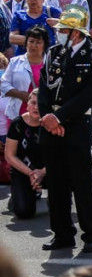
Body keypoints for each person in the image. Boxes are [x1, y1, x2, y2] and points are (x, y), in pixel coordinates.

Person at [38, 5, 92, 252]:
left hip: (76, 125)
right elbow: (44, 88)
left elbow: (89, 95)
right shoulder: (54, 52)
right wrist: (48, 117)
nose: (61, 33)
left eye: (65, 30)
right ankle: (62, 233)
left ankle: (91, 235)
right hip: (51, 127)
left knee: (82, 184)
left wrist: (59, 118)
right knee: (56, 186)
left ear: (77, 32)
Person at [5, 90, 46, 220]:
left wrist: (42, 172)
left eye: (40, 103)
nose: (36, 107)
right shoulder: (17, 124)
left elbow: (60, 155)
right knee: (24, 213)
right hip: (23, 171)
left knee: (62, 207)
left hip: (48, 170)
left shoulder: (51, 123)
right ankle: (19, 194)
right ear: (27, 104)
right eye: (33, 103)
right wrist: (31, 174)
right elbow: (9, 155)